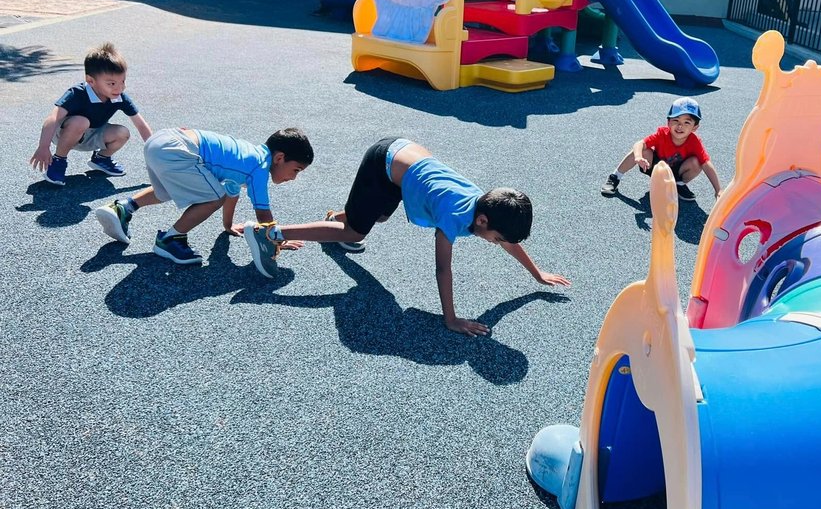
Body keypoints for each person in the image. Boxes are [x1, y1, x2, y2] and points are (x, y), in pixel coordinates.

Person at [243, 138, 571, 336]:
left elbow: (510, 242)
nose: (499, 244)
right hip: (383, 163)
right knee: (356, 230)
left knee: (379, 216)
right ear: (482, 220)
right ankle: (270, 233)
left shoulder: (486, 207)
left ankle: (336, 220)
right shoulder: (453, 216)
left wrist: (536, 274)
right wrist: (452, 320)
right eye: (497, 239)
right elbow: (443, 269)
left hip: (405, 163)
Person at [93, 127, 313, 266]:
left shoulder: (248, 155)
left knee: (167, 190)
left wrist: (228, 225)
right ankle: (171, 239)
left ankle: (124, 207)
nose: (293, 178)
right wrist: (277, 238)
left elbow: (231, 192)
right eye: (296, 170)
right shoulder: (259, 167)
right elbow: (263, 212)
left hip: (162, 140)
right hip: (178, 149)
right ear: (280, 158)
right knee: (213, 197)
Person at [29, 42, 153, 186]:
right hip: (64, 133)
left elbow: (140, 124)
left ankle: (101, 159)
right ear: (91, 81)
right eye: (112, 83)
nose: (119, 88)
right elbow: (53, 118)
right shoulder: (77, 93)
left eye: (123, 81)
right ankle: (58, 161)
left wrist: (156, 152)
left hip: (92, 134)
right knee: (81, 122)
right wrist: (43, 146)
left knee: (122, 132)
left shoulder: (119, 96)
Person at [601, 97, 721, 202]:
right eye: (676, 120)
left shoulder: (694, 141)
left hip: (677, 172)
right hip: (655, 167)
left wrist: (718, 190)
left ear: (695, 127)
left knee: (697, 162)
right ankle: (615, 176)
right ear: (668, 122)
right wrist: (638, 157)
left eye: (686, 122)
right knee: (644, 150)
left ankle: (679, 184)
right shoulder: (662, 133)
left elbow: (706, 164)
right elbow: (640, 143)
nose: (680, 126)